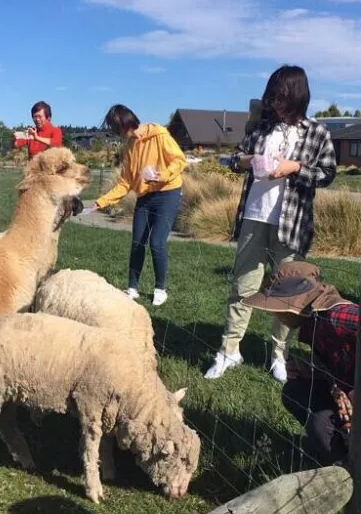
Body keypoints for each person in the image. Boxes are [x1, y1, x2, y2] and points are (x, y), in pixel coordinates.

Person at [203, 65, 337, 382]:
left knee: (288, 292)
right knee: (243, 286)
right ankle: (229, 350)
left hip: (291, 222)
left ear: (296, 96)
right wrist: (249, 160)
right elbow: (233, 160)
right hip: (254, 215)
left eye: (280, 97)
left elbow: (327, 174)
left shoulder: (317, 133)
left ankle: (280, 355)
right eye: (272, 97)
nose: (274, 103)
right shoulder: (262, 128)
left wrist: (294, 168)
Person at [240, 261, 359, 465]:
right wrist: (312, 371)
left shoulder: (336, 317)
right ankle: (344, 456)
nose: (275, 315)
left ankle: (351, 468)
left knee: (319, 422)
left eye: (276, 307)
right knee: (294, 391)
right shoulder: (313, 323)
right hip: (349, 394)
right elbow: (341, 365)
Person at [92, 104, 187, 306]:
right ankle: (132, 288)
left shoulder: (160, 135)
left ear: (125, 123)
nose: (117, 134)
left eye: (116, 128)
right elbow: (126, 182)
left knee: (157, 242)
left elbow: (180, 160)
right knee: (137, 243)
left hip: (168, 193)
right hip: (145, 195)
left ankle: (160, 289)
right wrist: (102, 201)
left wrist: (164, 175)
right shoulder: (130, 146)